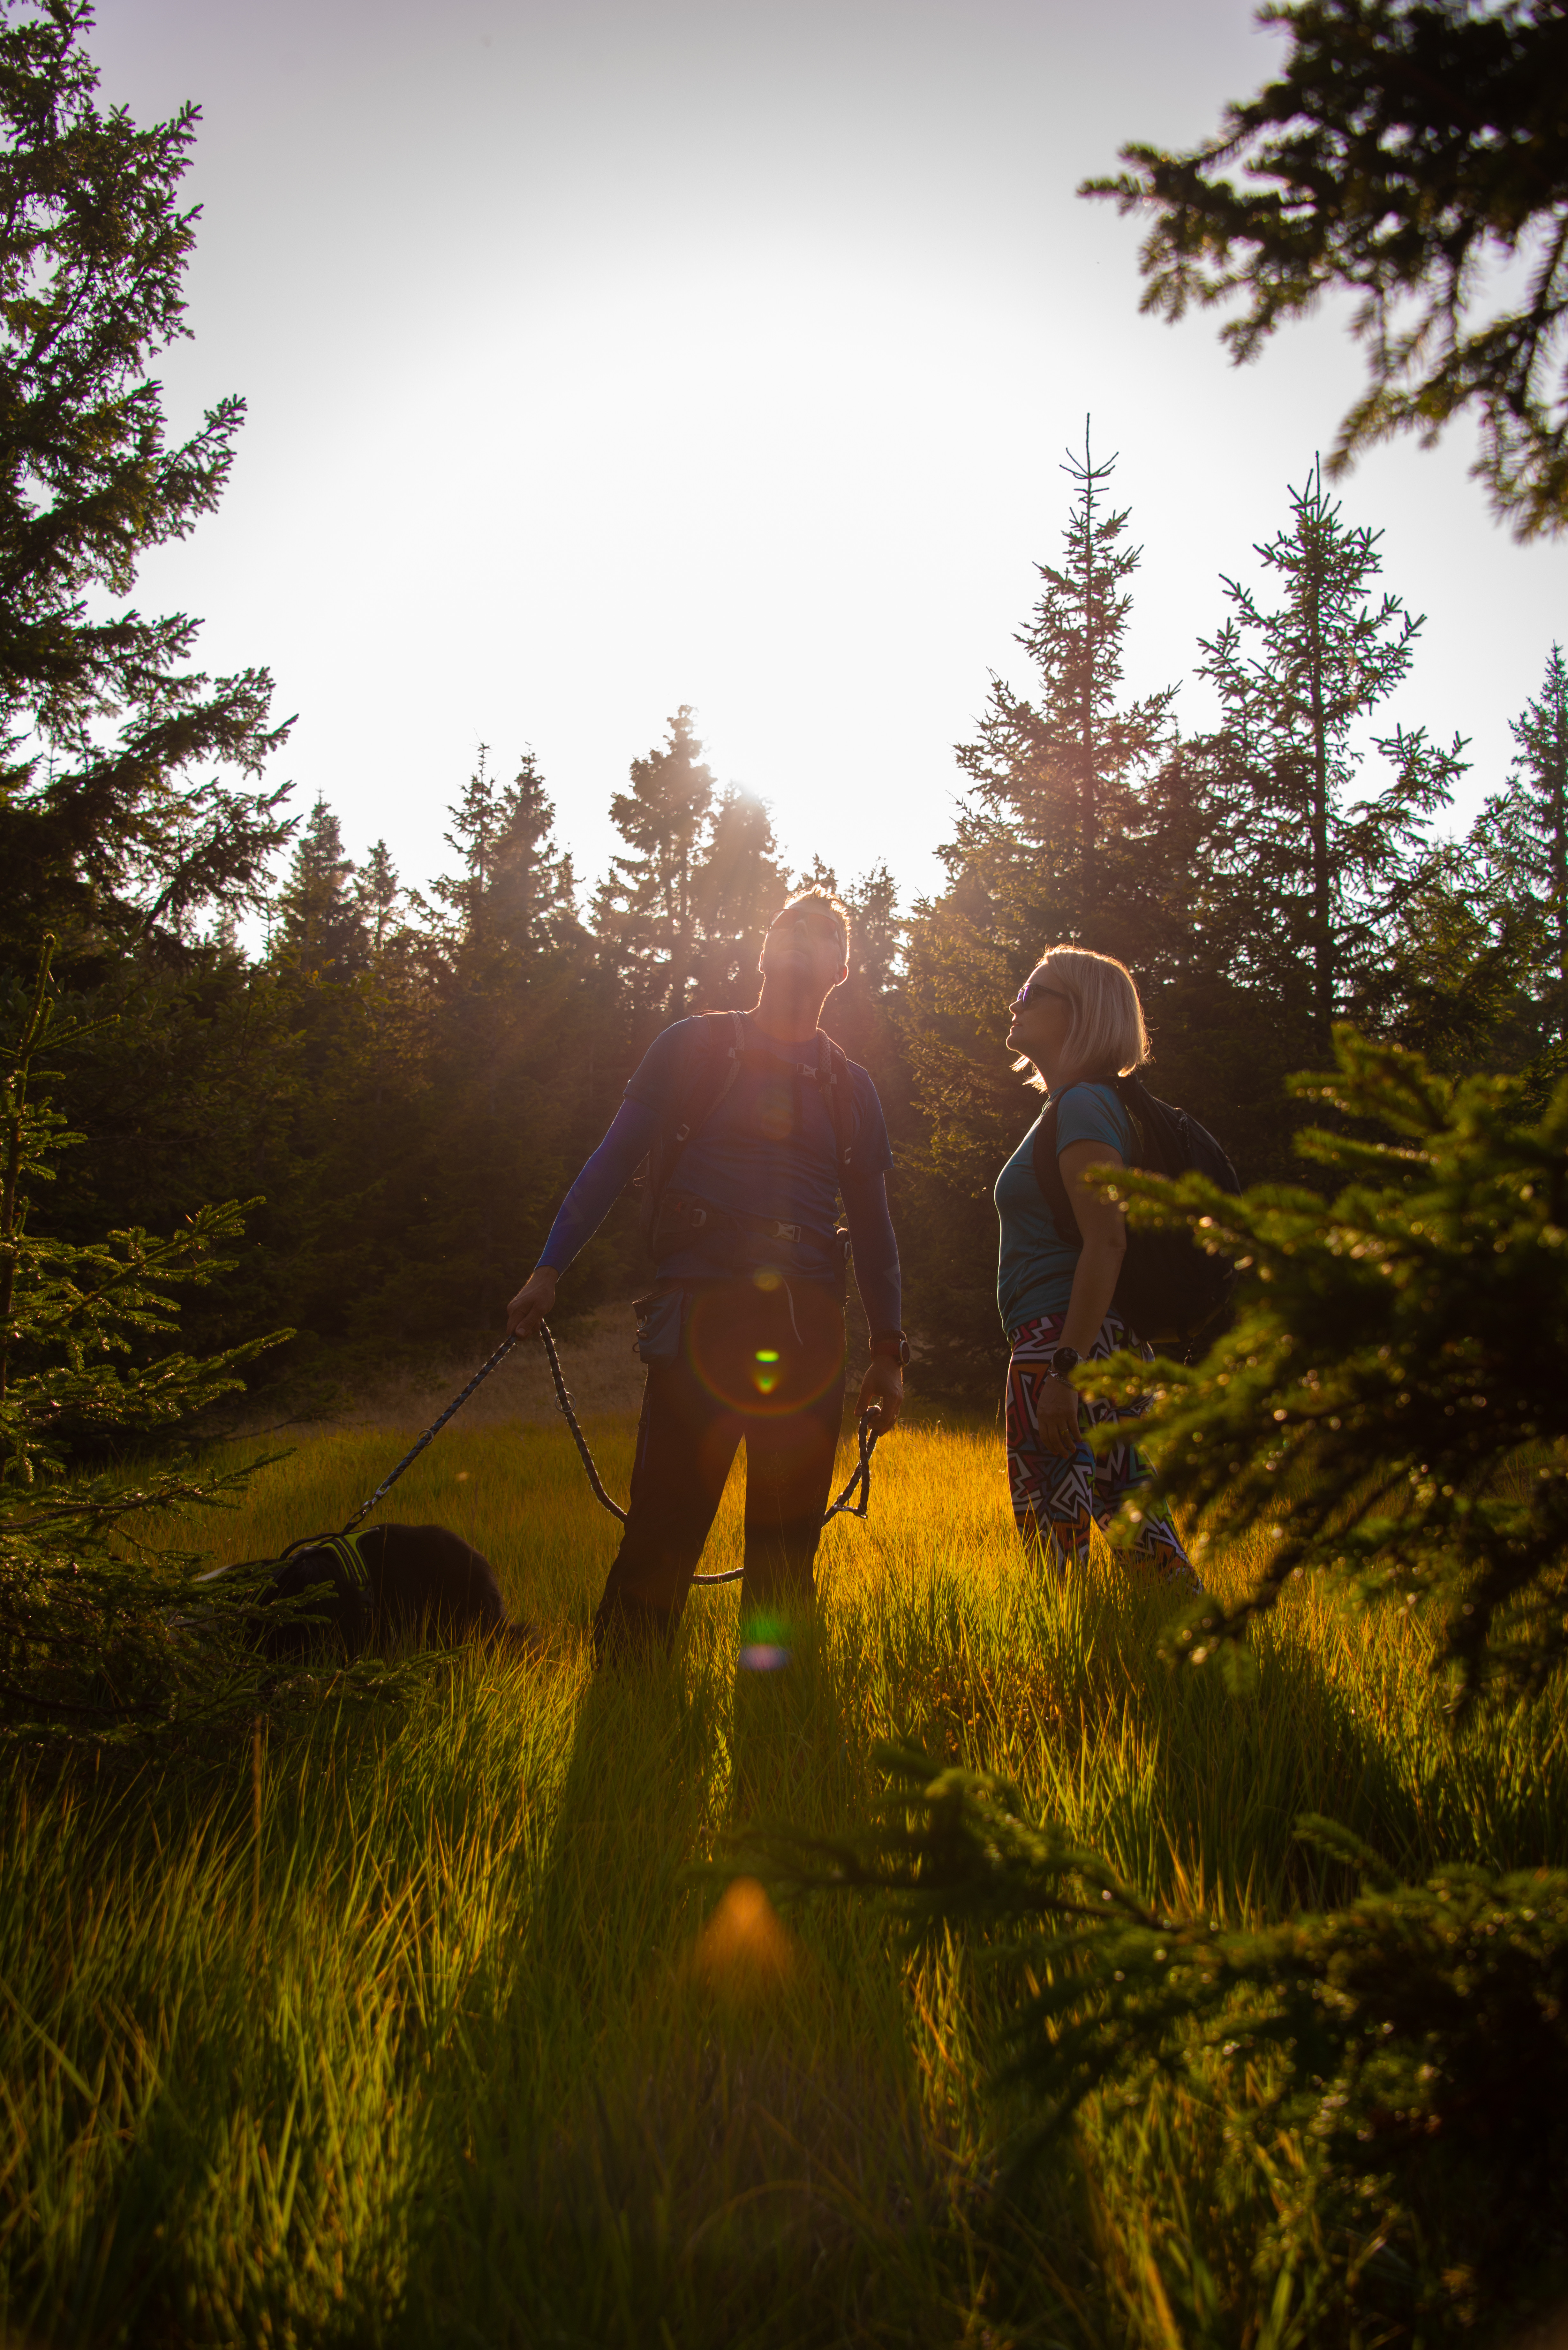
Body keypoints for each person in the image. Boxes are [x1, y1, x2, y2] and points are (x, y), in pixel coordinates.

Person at [506, 887, 907, 1660]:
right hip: (696, 1314)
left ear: (842, 969)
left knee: (787, 1547)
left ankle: (776, 1729)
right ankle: (624, 1708)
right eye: (788, 921)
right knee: (663, 1527)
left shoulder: (851, 1087)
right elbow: (608, 1162)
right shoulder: (690, 1045)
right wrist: (546, 1269)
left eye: (823, 931)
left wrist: (889, 1352)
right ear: (762, 947)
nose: (800, 933)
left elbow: (878, 1232)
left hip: (808, 1326)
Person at [994, 945, 1195, 1582]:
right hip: (1094, 1344)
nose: (1015, 1003)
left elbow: (1106, 1241)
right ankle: (1206, 1657)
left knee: (1053, 1551)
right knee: (1138, 1526)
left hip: (1065, 1340)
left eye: (1033, 993)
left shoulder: (1083, 1105)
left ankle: (1067, 1667)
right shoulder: (1076, 1106)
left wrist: (1063, 1371)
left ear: (1077, 1013)